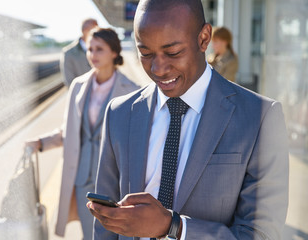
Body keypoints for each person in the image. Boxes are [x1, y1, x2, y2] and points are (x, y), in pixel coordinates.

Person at [87, 0, 289, 239]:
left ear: (204, 38)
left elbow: (263, 234)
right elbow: (105, 228)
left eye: (173, 52)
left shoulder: (260, 118)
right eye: (146, 54)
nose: (158, 69)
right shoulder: (119, 113)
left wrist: (174, 227)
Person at [26, 27, 139, 239]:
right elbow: (69, 131)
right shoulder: (78, 86)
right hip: (81, 177)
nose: (92, 55)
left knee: (113, 232)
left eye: (99, 49)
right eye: (90, 49)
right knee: (89, 233)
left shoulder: (132, 91)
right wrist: (40, 143)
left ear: (114, 52)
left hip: (112, 177)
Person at [60, 18, 98, 86]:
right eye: (94, 30)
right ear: (84, 31)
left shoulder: (104, 49)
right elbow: (69, 81)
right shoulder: (68, 53)